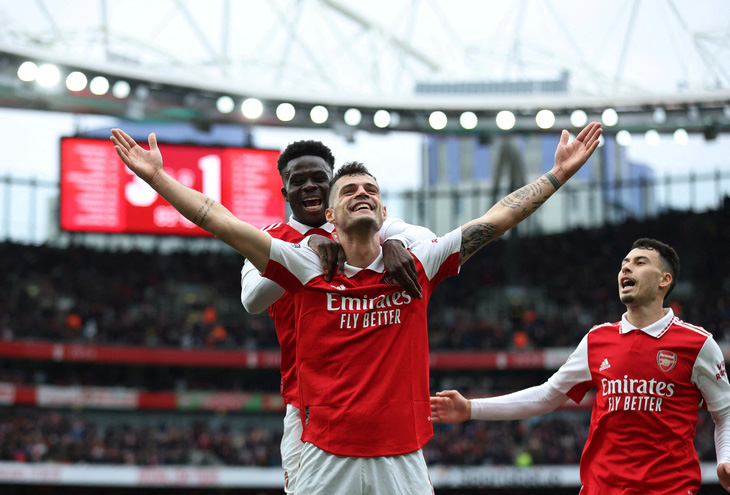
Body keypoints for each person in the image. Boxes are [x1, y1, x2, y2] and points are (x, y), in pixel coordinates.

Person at [110, 121, 601, 494]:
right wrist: (158, 179)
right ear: (330, 214)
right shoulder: (301, 263)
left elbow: (497, 218)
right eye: (349, 191)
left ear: (385, 214)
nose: (361, 194)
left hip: (401, 453)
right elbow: (218, 220)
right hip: (320, 441)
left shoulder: (416, 260)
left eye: (370, 191)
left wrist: (558, 172)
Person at [431, 238, 730, 494]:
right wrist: (471, 408)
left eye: (640, 263)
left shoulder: (697, 344)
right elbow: (547, 395)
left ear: (665, 279)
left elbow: (724, 413)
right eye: (624, 263)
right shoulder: (597, 340)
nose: (626, 268)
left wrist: (725, 458)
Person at [239, 139, 435, 493]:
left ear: (332, 186)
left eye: (320, 178)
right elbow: (252, 299)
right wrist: (305, 248)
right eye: (298, 181)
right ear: (285, 192)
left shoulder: (359, 221)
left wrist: (395, 244)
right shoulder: (271, 238)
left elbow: (427, 238)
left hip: (378, 409)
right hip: (308, 407)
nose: (310, 186)